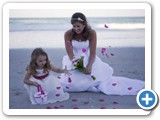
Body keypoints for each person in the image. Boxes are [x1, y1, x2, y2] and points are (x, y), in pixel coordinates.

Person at [59, 12, 144, 95]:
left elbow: (92, 53)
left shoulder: (91, 33)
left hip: (89, 59)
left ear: (84, 25)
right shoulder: (68, 34)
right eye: (74, 26)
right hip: (74, 59)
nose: (76, 28)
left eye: (78, 26)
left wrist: (89, 66)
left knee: (94, 81)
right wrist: (78, 66)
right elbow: (70, 54)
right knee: (72, 85)